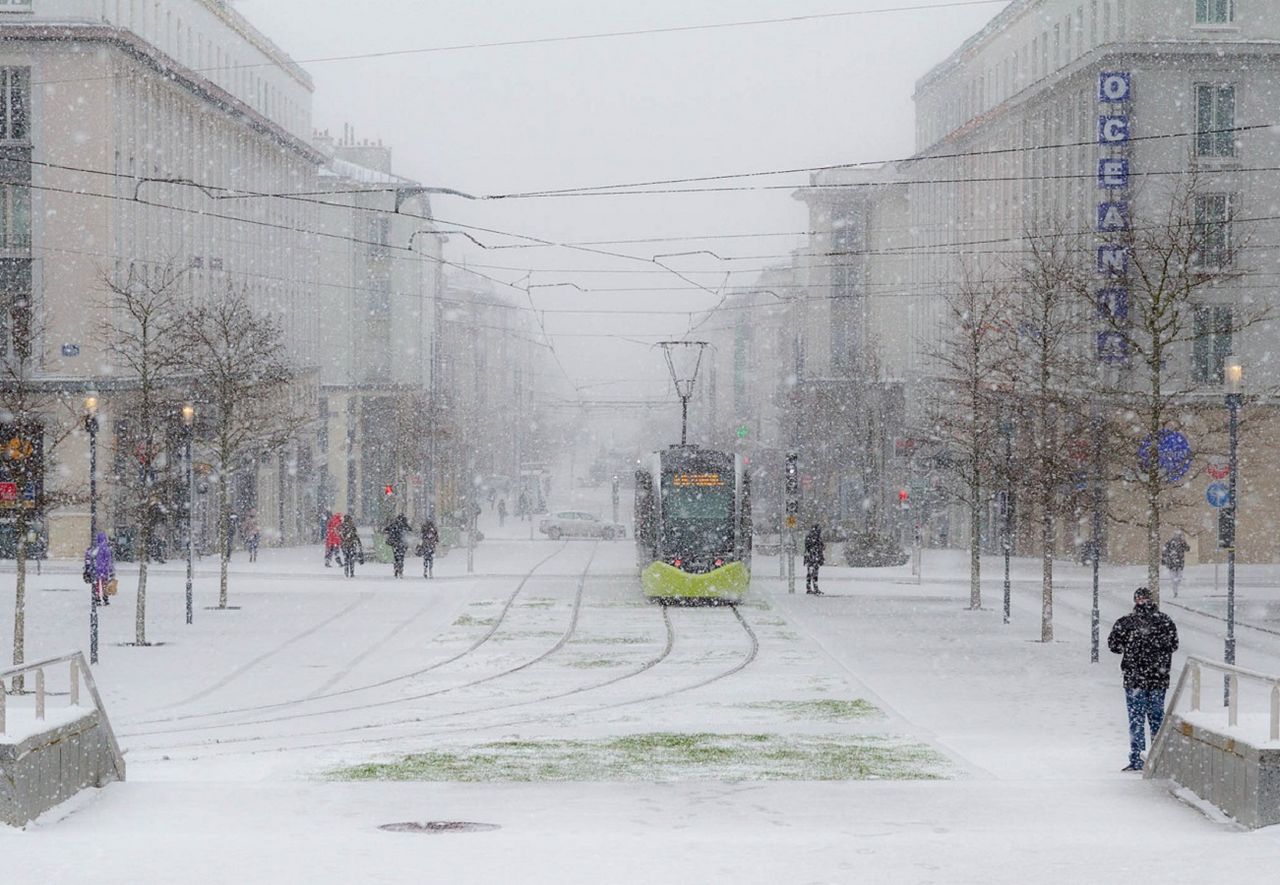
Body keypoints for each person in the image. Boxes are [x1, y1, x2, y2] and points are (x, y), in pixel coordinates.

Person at [1108, 587, 1179, 772]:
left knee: (1137, 719)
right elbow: (1173, 645)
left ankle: (1139, 758)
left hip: (1135, 679)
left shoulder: (1127, 622)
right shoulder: (1164, 621)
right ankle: (1158, 757)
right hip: (1157, 678)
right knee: (1156, 717)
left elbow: (1113, 645)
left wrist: (1131, 648)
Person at [83, 530, 115, 606]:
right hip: (104, 570)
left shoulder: (94, 548)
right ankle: (105, 598)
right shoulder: (106, 549)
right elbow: (109, 561)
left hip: (95, 570)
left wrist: (88, 567)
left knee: (96, 584)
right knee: (105, 584)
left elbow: (88, 556)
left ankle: (97, 598)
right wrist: (111, 570)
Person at [1161, 530, 1190, 598]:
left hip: (1180, 563)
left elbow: (1188, 549)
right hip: (1172, 563)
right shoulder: (1170, 542)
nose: (1178, 536)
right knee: (1173, 578)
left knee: (1179, 578)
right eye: (1177, 535)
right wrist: (1164, 560)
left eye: (1179, 535)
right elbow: (1164, 551)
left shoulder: (1182, 542)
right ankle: (1175, 591)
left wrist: (1184, 543)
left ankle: (1176, 589)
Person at [384, 513, 411, 578]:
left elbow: (386, 529)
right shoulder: (404, 525)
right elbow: (410, 530)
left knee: (396, 556)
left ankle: (396, 568)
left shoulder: (394, 524)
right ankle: (400, 569)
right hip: (402, 543)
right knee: (401, 557)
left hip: (395, 543)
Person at [803, 524, 825, 595]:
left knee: (810, 573)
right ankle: (814, 588)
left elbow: (808, 547)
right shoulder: (815, 537)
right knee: (814, 573)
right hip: (813, 557)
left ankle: (809, 588)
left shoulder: (810, 536)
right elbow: (818, 547)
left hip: (811, 557)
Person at [339, 514, 362, 578]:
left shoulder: (342, 526)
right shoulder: (352, 526)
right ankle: (351, 572)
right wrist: (359, 543)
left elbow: (340, 535)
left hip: (344, 545)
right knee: (351, 559)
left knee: (346, 559)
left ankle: (346, 572)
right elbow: (356, 536)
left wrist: (343, 542)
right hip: (351, 545)